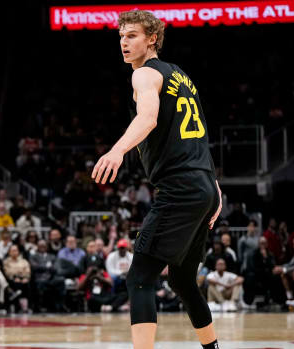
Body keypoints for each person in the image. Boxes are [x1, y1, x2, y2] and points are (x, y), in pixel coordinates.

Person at [91, 10, 222, 349]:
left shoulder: (145, 75)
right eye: (121, 36)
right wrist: (214, 190)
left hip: (180, 188)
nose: (123, 41)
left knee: (140, 279)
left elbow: (147, 118)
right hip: (201, 185)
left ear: (152, 38)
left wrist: (117, 150)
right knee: (181, 280)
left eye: (132, 35)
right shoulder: (181, 76)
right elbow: (199, 137)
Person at [273, 236, 294, 309]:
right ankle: (290, 298)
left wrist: (284, 269)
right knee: (284, 274)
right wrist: (281, 267)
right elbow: (291, 263)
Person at [3, 245, 32, 313]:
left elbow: (27, 270)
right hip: (12, 279)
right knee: (16, 284)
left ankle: (25, 307)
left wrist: (25, 277)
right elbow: (7, 272)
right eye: (12, 251)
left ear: (18, 252)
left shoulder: (24, 261)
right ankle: (16, 306)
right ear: (9, 252)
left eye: (16, 250)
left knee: (26, 284)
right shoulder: (6, 262)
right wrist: (15, 276)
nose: (14, 252)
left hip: (23, 278)